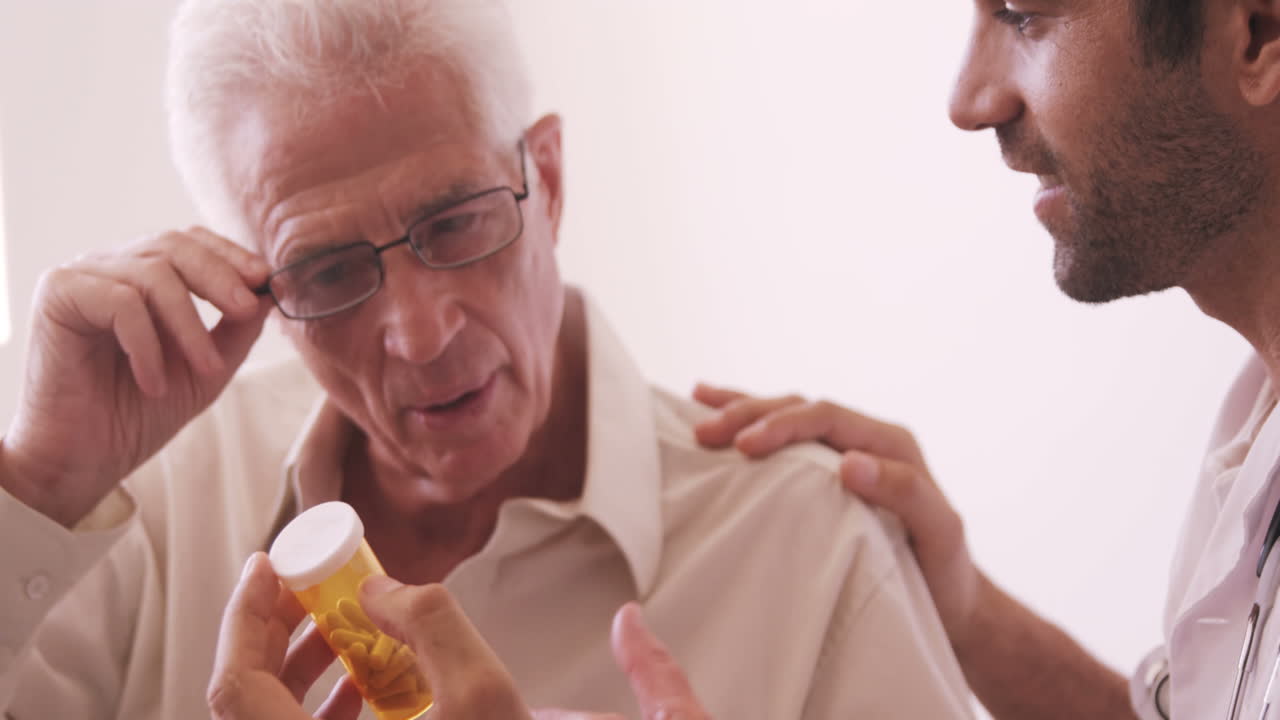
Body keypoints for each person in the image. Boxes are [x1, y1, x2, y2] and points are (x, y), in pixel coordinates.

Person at [0, 0, 973, 718]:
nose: (420, 334)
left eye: (456, 221)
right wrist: (37, 484)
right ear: (260, 294)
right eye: (330, 271)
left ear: (544, 182)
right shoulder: (150, 512)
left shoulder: (803, 548)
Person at [683, 0, 1280, 718]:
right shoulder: (1255, 427)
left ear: (1258, 33)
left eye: (1024, 15)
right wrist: (965, 610)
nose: (969, 102)